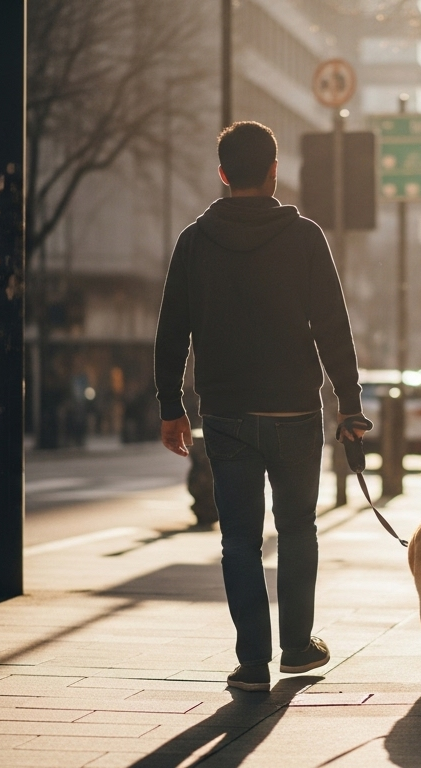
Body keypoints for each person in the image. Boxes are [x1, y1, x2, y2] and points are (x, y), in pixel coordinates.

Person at [155, 121, 367, 693]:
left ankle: (252, 662)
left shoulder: (195, 242)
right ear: (275, 170)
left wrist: (171, 406)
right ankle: (297, 646)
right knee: (297, 528)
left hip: (224, 415)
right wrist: (348, 403)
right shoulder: (305, 237)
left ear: (223, 174)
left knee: (239, 539)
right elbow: (332, 326)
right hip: (295, 412)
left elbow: (172, 330)